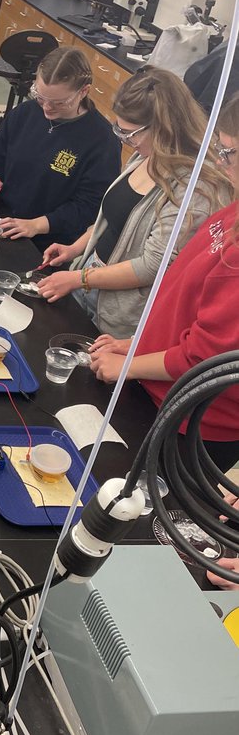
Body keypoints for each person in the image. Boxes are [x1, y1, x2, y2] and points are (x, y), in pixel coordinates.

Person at [88, 90, 239, 471]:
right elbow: (186, 301)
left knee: (146, 516)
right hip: (161, 384)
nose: (220, 164)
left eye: (228, 153)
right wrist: (137, 344)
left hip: (192, 421)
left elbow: (204, 357)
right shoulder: (235, 207)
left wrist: (129, 366)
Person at [36, 68, 228, 336]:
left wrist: (79, 279)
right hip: (90, 280)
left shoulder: (194, 186)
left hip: (120, 311)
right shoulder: (146, 154)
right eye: (120, 130)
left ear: (163, 127)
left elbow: (153, 265)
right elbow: (116, 220)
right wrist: (76, 248)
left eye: (130, 133)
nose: (125, 141)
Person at [0, 46, 120, 252]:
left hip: (48, 243)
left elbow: (89, 207)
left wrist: (36, 225)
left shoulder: (102, 141)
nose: (47, 108)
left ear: (83, 91)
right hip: (0, 223)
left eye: (59, 102)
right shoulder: (23, 114)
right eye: (40, 97)